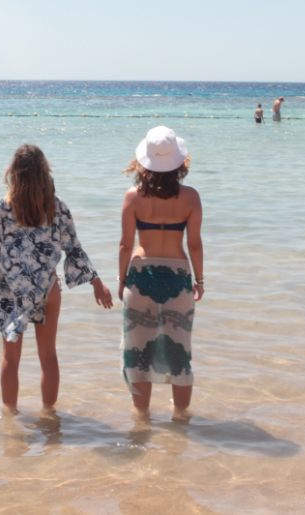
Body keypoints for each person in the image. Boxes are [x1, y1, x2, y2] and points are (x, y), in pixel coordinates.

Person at [0, 144, 113, 415]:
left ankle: (10, 418)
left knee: (11, 359)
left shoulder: (3, 208)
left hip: (12, 290)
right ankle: (49, 417)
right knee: (48, 356)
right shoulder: (57, 208)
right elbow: (75, 249)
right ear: (45, 174)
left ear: (15, 174)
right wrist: (96, 283)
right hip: (48, 288)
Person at [118, 126, 203, 420]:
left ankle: (141, 420)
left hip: (141, 275)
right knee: (180, 352)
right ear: (179, 162)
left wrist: (120, 282)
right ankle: (181, 419)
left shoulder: (133, 197)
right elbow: (194, 244)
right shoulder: (191, 198)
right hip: (178, 277)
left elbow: (126, 245)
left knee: (138, 352)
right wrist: (200, 280)